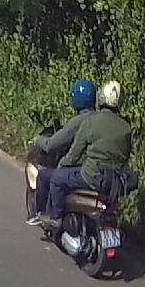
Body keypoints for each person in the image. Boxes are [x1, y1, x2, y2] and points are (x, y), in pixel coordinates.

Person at [42, 80, 133, 225]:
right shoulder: (126, 127)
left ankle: (55, 217)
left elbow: (74, 153)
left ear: (101, 97)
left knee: (57, 178)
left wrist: (62, 165)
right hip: (115, 180)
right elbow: (125, 156)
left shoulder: (91, 121)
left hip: (91, 176)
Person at [26, 78, 96, 225]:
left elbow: (51, 144)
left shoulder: (79, 121)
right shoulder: (98, 118)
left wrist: (38, 140)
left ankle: (45, 215)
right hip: (100, 171)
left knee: (44, 176)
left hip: (80, 169)